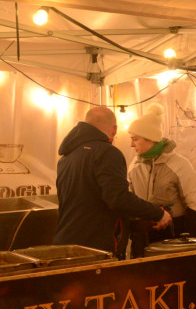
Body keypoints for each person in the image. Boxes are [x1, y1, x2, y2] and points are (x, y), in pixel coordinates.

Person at [52, 105, 172, 258]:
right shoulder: (107, 152)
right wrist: (158, 213)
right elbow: (118, 198)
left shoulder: (67, 156)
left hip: (65, 242)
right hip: (94, 248)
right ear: (115, 130)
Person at [125, 104, 196, 256]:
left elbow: (193, 204)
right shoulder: (134, 165)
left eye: (135, 139)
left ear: (151, 140)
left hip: (172, 236)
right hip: (143, 235)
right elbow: (130, 199)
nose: (131, 144)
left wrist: (192, 244)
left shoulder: (179, 164)